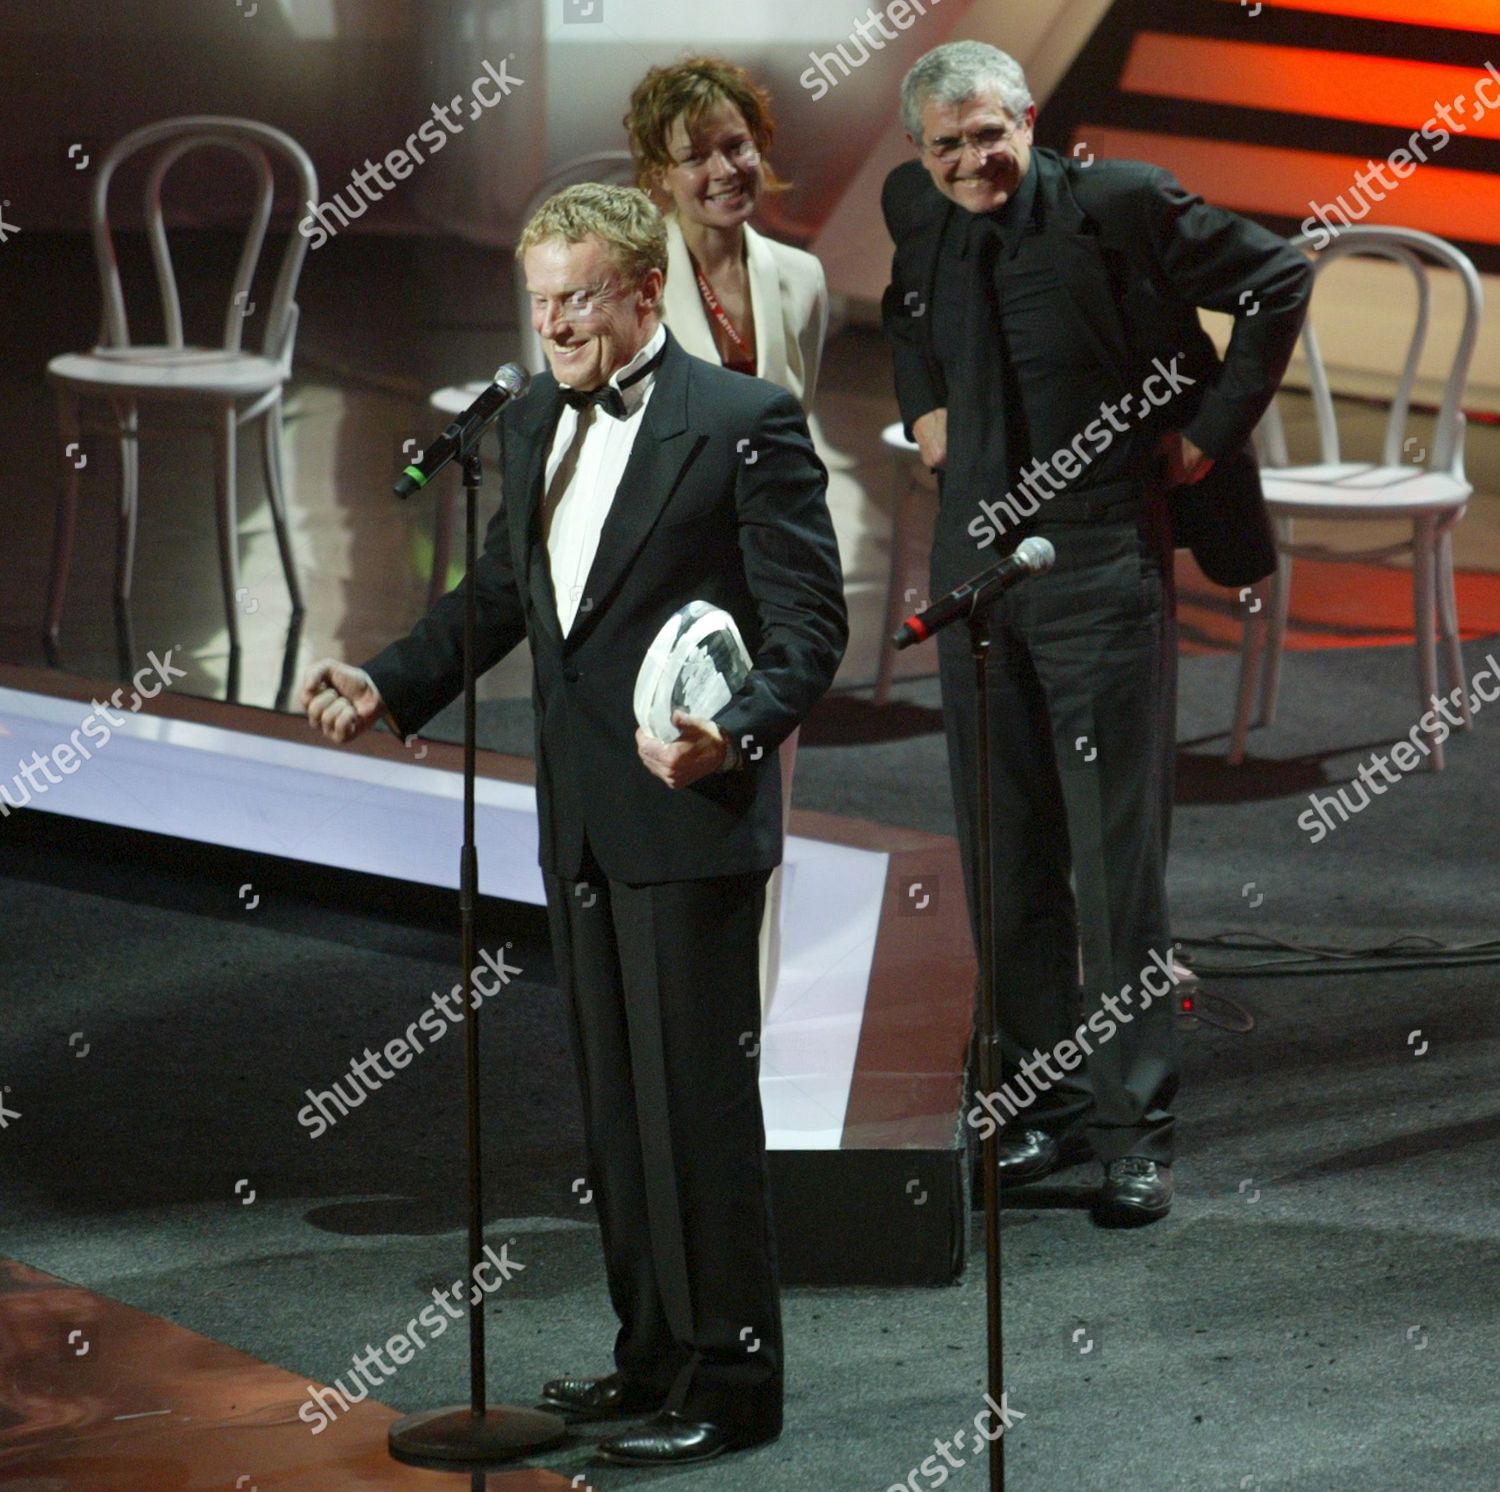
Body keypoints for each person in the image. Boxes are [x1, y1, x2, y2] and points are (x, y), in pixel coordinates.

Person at [301, 183, 846, 1462]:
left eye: (577, 298)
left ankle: (731, 1386)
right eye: (538, 300)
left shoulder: (744, 421)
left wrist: (742, 729)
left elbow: (810, 627)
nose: (551, 324)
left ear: (645, 290)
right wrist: (391, 679)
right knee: (617, 1110)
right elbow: (501, 589)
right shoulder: (537, 412)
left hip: (689, 812)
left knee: (697, 1107)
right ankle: (650, 1354)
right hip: (581, 822)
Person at [881, 41, 1310, 1226]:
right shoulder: (917, 205)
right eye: (948, 143)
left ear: (1030, 119)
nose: (974, 159)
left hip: (1099, 548)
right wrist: (922, 408)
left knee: (1112, 867)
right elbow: (904, 302)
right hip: (977, 558)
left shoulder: (1122, 202)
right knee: (1003, 853)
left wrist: (1211, 431)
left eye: (989, 132)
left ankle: (1134, 1131)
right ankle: (1042, 1106)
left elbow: (1279, 275)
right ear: (920, 153)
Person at [626, 55, 831, 1003]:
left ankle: (754, 1021)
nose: (723, 170)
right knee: (669, 811)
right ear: (658, 175)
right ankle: (674, 1011)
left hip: (768, 598)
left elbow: (797, 438)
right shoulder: (627, 284)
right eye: (696, 155)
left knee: (763, 809)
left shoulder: (800, 278)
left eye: (737, 145)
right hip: (659, 593)